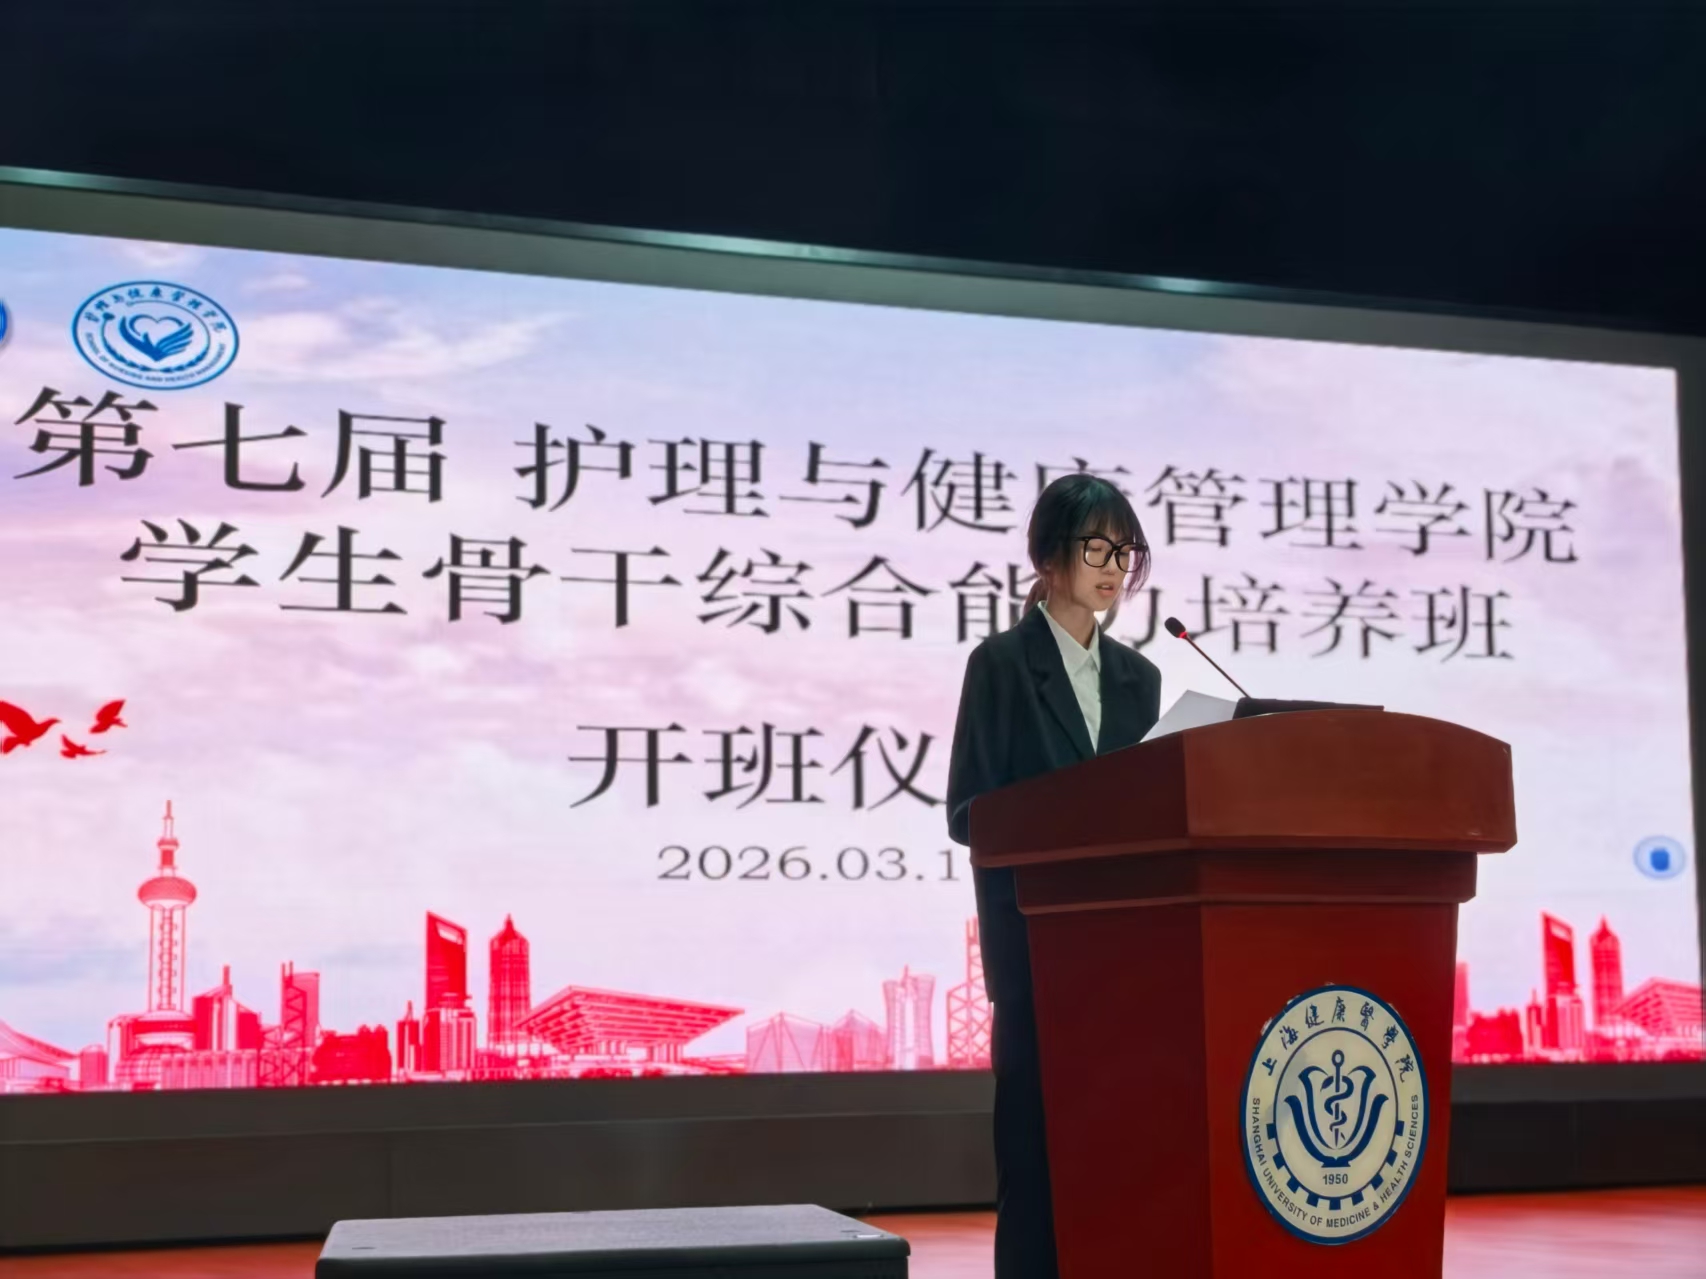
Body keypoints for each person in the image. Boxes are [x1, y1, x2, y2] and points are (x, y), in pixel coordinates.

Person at [946, 472, 1162, 1278]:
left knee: (1123, 1158)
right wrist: (1063, 818)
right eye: (1096, 548)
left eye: (1125, 551)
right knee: (1036, 1165)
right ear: (1048, 555)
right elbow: (968, 811)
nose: (1114, 567)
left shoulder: (1140, 678)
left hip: (1125, 961)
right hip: (1038, 957)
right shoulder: (1001, 665)